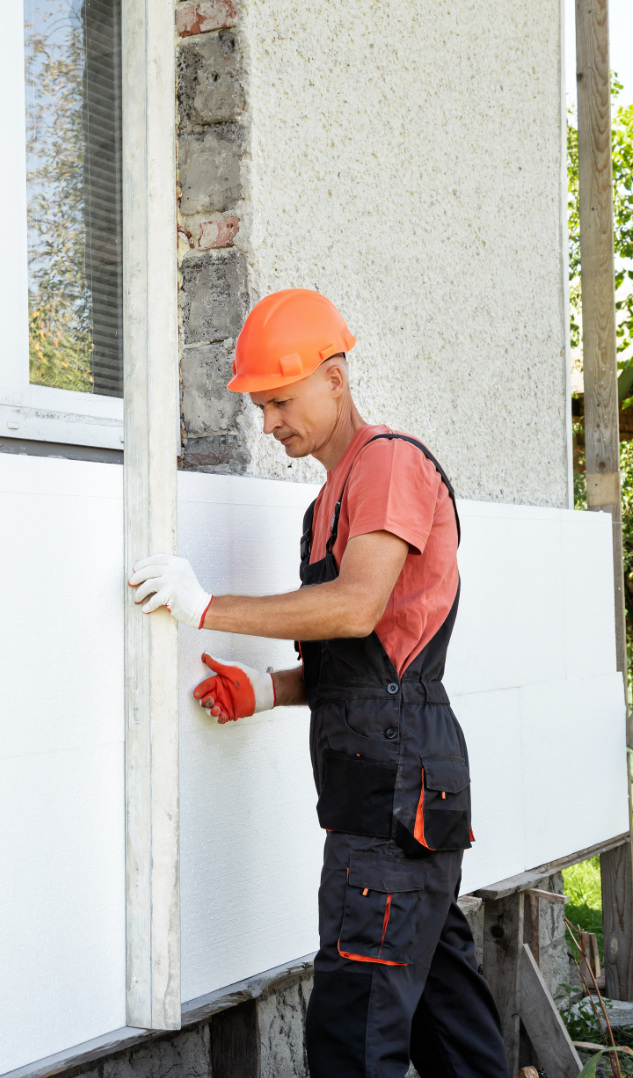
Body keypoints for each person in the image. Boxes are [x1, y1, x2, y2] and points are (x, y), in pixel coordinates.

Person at [128, 289, 508, 1078]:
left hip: (393, 793)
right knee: (451, 1028)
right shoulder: (327, 501)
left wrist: (206, 607)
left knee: (353, 1035)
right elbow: (362, 666)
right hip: (388, 783)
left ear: (335, 377)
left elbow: (357, 606)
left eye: (279, 400)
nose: (268, 423)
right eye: (260, 406)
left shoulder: (390, 464)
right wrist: (266, 690)